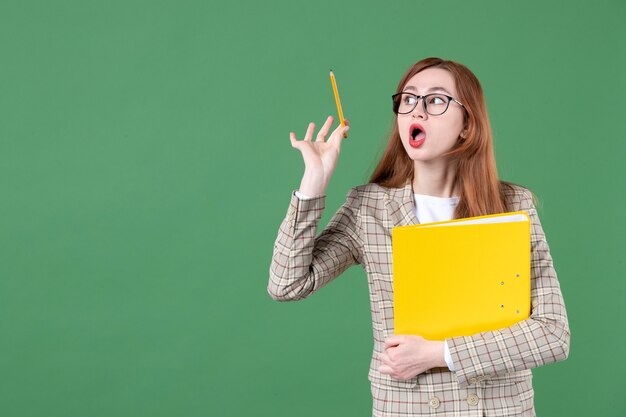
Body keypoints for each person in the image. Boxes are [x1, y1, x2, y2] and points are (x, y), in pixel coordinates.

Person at [267, 57, 569, 417]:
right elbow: (286, 284)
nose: (417, 110)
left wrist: (439, 354)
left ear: (466, 125)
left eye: (436, 100)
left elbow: (553, 334)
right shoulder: (371, 208)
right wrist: (313, 182)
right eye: (408, 99)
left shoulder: (512, 206)